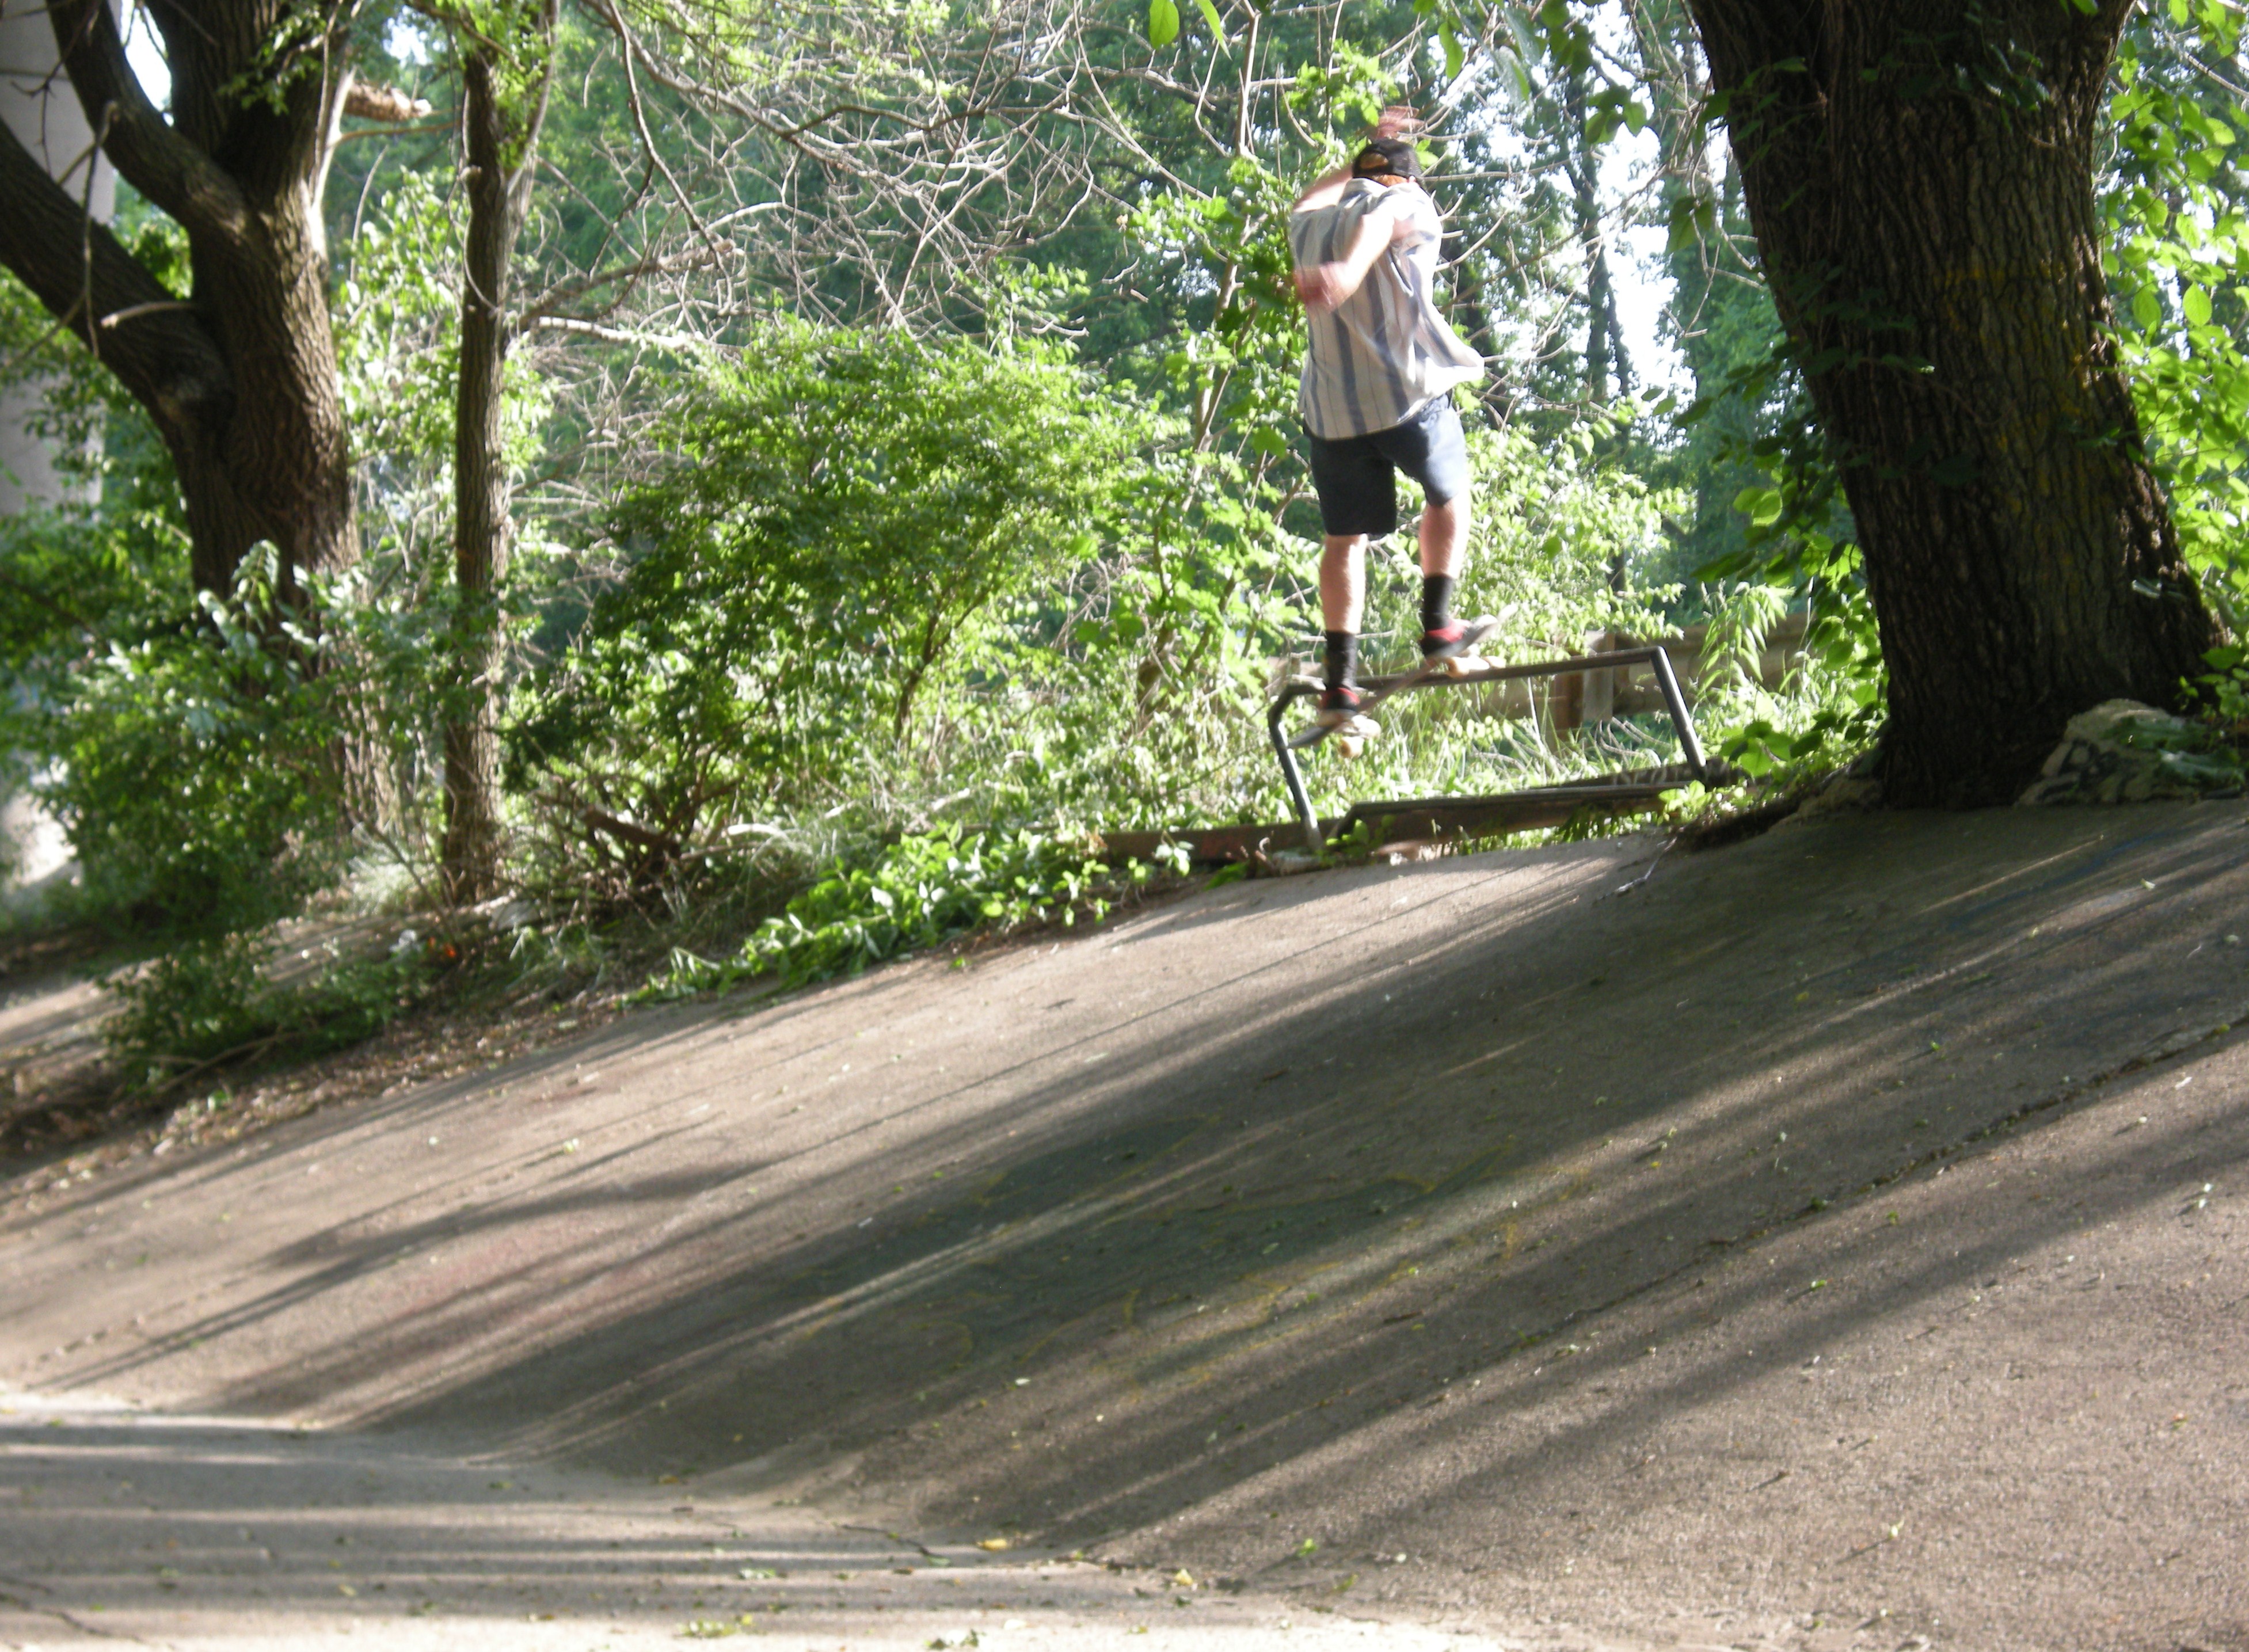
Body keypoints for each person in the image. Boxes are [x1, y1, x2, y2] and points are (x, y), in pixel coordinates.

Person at [1288, 110, 1485, 735]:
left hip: (1332, 416)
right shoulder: (1407, 203)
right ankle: (1439, 625)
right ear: (1407, 180)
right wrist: (1347, 274)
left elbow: (1314, 197)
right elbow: (1379, 218)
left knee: (1343, 540)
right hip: (1405, 398)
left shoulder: (1307, 225)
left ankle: (1340, 687)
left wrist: (1367, 149)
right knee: (1449, 493)